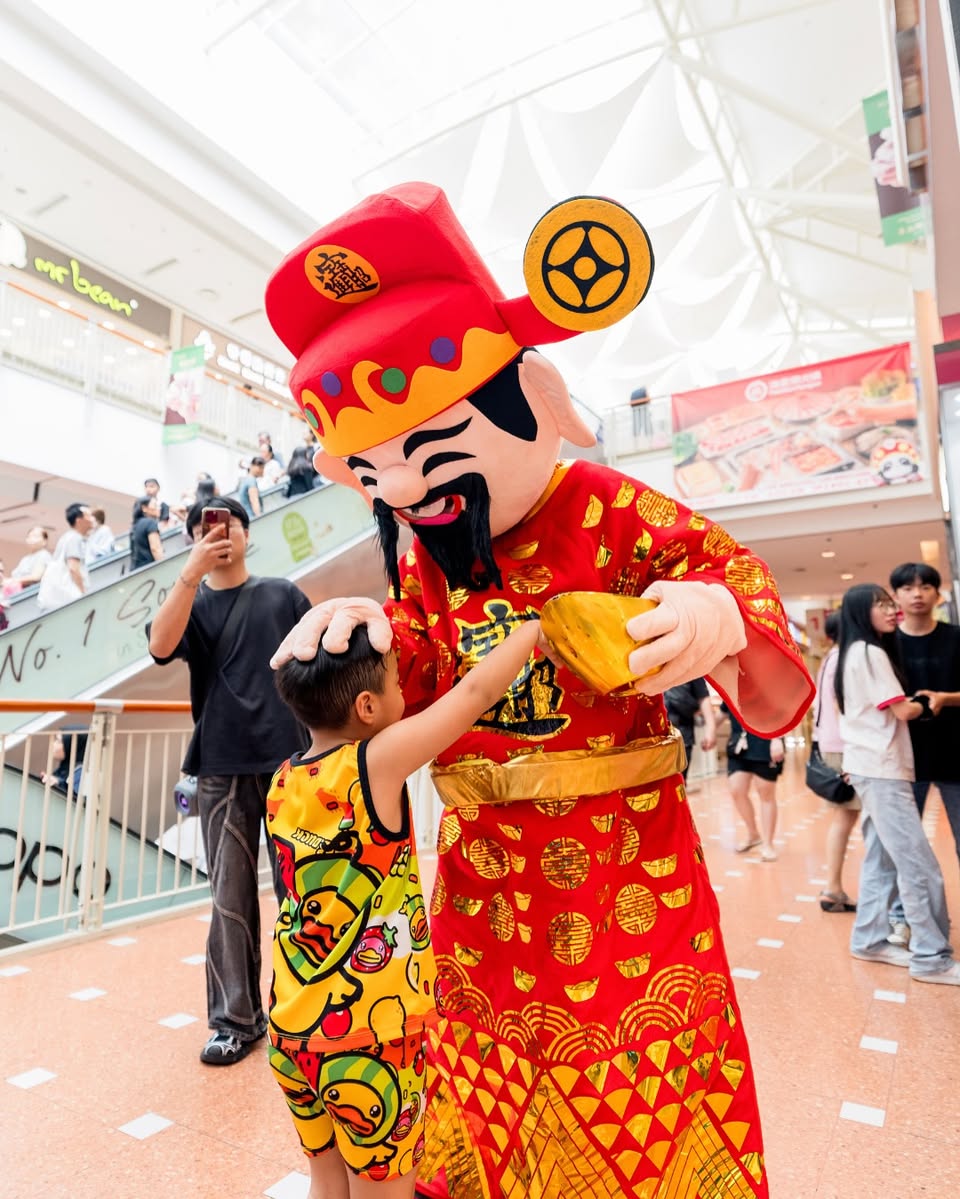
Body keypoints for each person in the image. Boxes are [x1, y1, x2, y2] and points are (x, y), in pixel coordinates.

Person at [264, 184, 813, 1198]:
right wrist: (356, 636)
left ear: (539, 397)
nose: (412, 494)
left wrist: (716, 616)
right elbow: (418, 664)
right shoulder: (428, 554)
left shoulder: (608, 506)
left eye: (432, 455)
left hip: (626, 873)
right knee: (485, 1088)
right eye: (382, 475)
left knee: (640, 1086)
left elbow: (734, 576)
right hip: (482, 884)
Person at [268, 618, 541, 1198]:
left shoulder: (282, 780)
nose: (405, 692)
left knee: (326, 1183)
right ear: (367, 706)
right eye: (397, 682)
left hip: (293, 1026)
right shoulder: (375, 762)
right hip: (371, 1035)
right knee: (384, 1190)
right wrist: (535, 625)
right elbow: (475, 695)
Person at [147, 496, 313, 1063]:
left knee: (304, 890)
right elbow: (160, 646)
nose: (220, 533)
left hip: (292, 763)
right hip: (220, 765)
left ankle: (311, 1006)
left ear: (247, 532)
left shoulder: (283, 594)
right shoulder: (190, 603)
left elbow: (318, 666)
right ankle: (236, 1022)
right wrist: (188, 575)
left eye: (230, 524)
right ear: (194, 539)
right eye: (205, 528)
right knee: (229, 899)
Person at [836, 583, 960, 984]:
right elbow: (903, 710)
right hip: (883, 769)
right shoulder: (871, 653)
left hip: (870, 766)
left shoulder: (849, 654)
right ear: (861, 612)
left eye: (891, 603)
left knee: (882, 859)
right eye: (882, 605)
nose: (892, 611)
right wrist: (929, 702)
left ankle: (870, 939)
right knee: (919, 866)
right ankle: (931, 957)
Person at [887, 562, 960, 946]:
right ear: (895, 595)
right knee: (905, 847)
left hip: (955, 756)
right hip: (903, 760)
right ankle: (901, 918)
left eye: (925, 586)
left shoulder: (956, 637)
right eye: (908, 588)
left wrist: (946, 699)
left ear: (937, 593)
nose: (917, 593)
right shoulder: (886, 644)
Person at [812, 610, 860, 912]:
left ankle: (834, 887)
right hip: (845, 748)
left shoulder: (829, 658)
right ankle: (832, 886)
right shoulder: (843, 659)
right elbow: (840, 705)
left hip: (832, 744)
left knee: (844, 817)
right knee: (845, 818)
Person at [724, 705, 784, 861]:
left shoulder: (769, 685)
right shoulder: (732, 683)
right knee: (736, 790)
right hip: (738, 745)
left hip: (765, 743)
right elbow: (724, 711)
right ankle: (753, 834)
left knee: (765, 793)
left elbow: (784, 712)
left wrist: (777, 738)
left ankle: (768, 844)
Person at [37, 503, 93, 610]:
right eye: (89, 515)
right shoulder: (75, 538)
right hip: (68, 599)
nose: (92, 519)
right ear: (78, 520)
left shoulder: (66, 537)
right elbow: (73, 568)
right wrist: (83, 593)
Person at [664, 677, 716, 781]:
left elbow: (703, 696)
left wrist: (711, 729)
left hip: (681, 734)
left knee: (677, 783)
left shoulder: (691, 665)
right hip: (649, 735)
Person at [0, 525, 51, 596]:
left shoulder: (44, 555)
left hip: (33, 595)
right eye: (29, 536)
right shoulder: (25, 559)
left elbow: (36, 577)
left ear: (44, 541)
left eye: (35, 536)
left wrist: (12, 581)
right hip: (20, 594)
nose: (32, 539)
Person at [40, 728, 88, 795]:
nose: (53, 744)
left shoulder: (81, 771)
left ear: (71, 746)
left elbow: (77, 798)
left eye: (59, 741)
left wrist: (59, 783)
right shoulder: (63, 769)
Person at [129, 496, 164, 570]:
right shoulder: (150, 523)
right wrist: (164, 568)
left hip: (136, 570)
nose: (159, 508)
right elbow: (155, 549)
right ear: (144, 508)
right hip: (149, 570)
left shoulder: (135, 525)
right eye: (155, 505)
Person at [284, 426, 320, 497]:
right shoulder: (302, 450)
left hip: (314, 480)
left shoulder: (316, 448)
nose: (303, 434)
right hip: (306, 490)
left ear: (312, 434)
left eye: (305, 433)